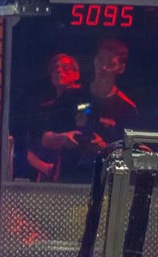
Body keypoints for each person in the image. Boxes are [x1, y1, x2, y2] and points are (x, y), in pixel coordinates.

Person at [25, 53, 91, 181]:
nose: (59, 71)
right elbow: (32, 140)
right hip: (46, 172)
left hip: (72, 172)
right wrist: (43, 166)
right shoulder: (45, 105)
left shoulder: (83, 100)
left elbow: (81, 132)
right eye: (55, 69)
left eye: (65, 67)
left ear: (76, 74)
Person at [85, 38, 139, 149]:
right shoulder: (76, 94)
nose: (103, 67)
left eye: (110, 64)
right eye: (100, 60)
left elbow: (127, 149)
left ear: (121, 68)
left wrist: (105, 147)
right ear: (94, 60)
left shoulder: (127, 108)